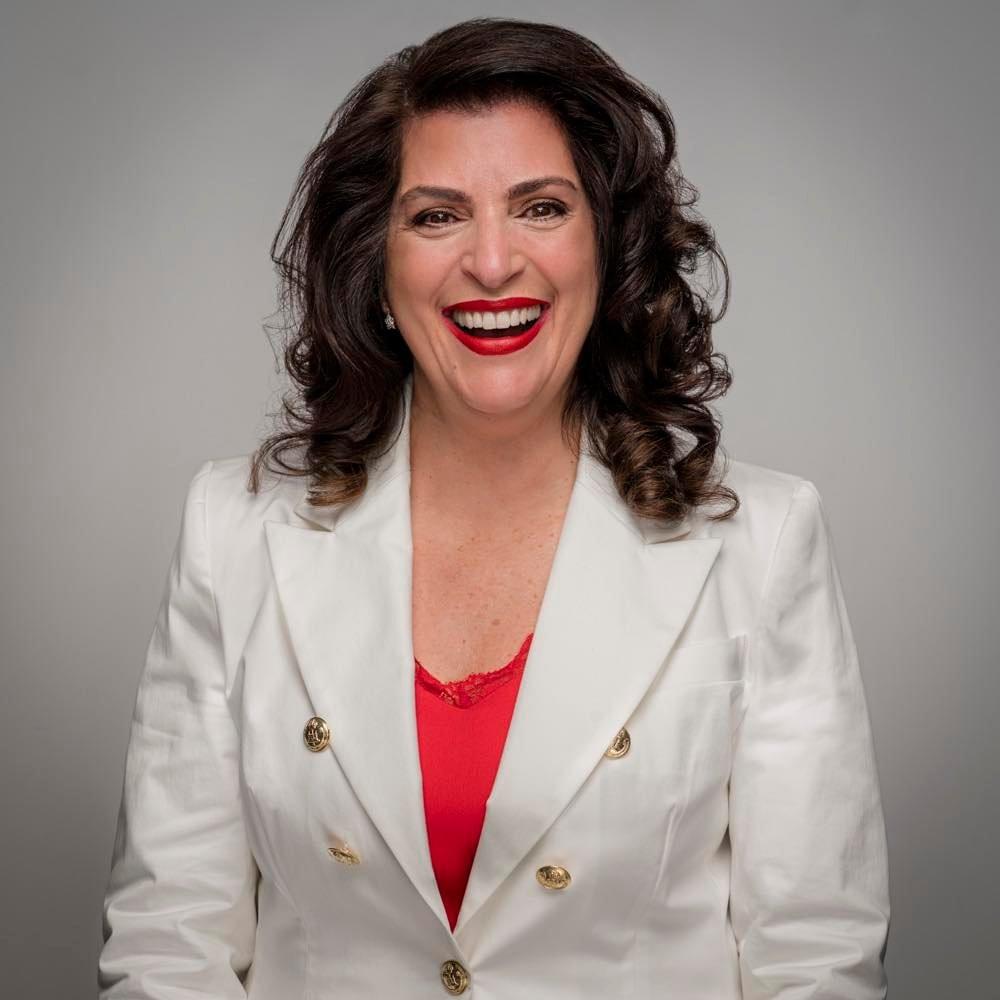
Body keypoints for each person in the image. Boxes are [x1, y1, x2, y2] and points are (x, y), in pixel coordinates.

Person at [97, 16, 890, 999]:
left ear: (607, 247)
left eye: (541, 208)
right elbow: (168, 942)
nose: (491, 261)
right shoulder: (234, 529)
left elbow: (813, 959)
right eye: (436, 216)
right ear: (376, 264)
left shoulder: (762, 544)